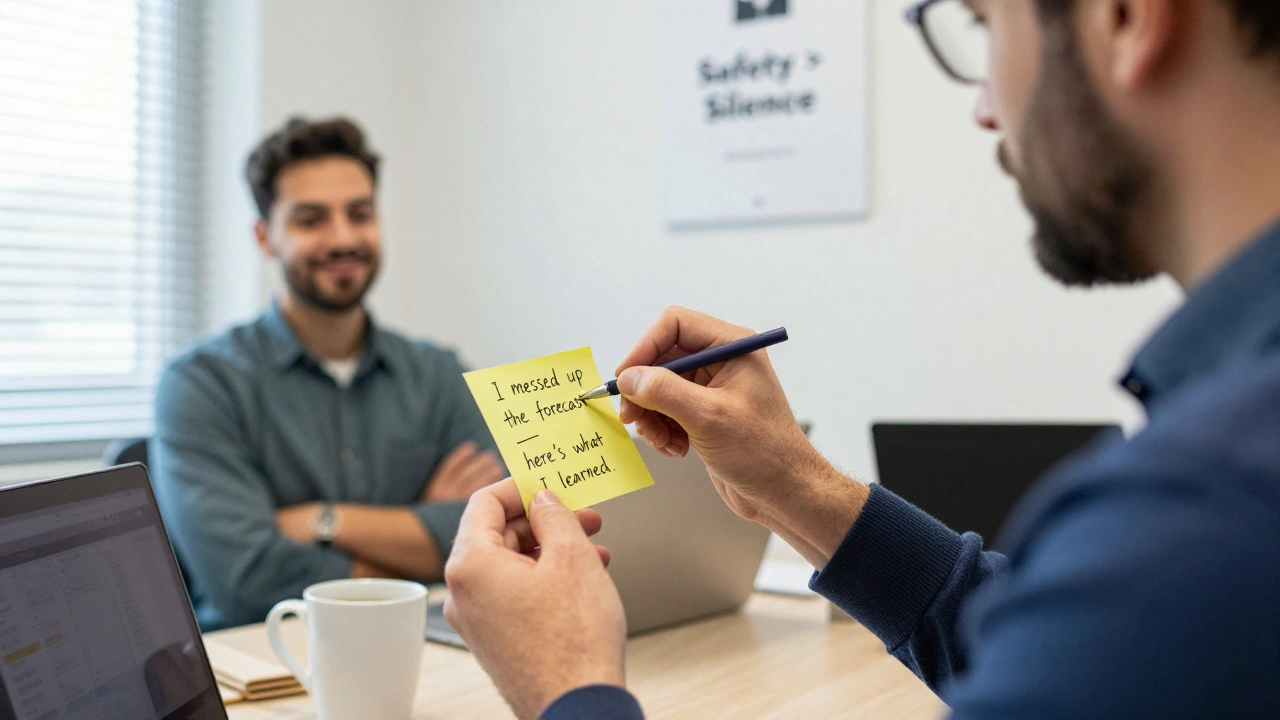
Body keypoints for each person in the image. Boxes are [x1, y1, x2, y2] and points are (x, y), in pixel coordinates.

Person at [442, 0, 1280, 718]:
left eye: (984, 24)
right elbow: (1075, 652)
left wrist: (569, 688)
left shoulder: (1210, 509)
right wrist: (798, 486)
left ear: (1127, 15)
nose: (987, 107)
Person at [152, 117, 505, 630]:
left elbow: (498, 535)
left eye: (359, 214)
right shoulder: (201, 385)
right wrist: (418, 531)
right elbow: (247, 581)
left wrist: (322, 521)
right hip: (267, 667)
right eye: (310, 220)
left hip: (425, 650)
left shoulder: (439, 375)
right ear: (264, 237)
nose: (342, 239)